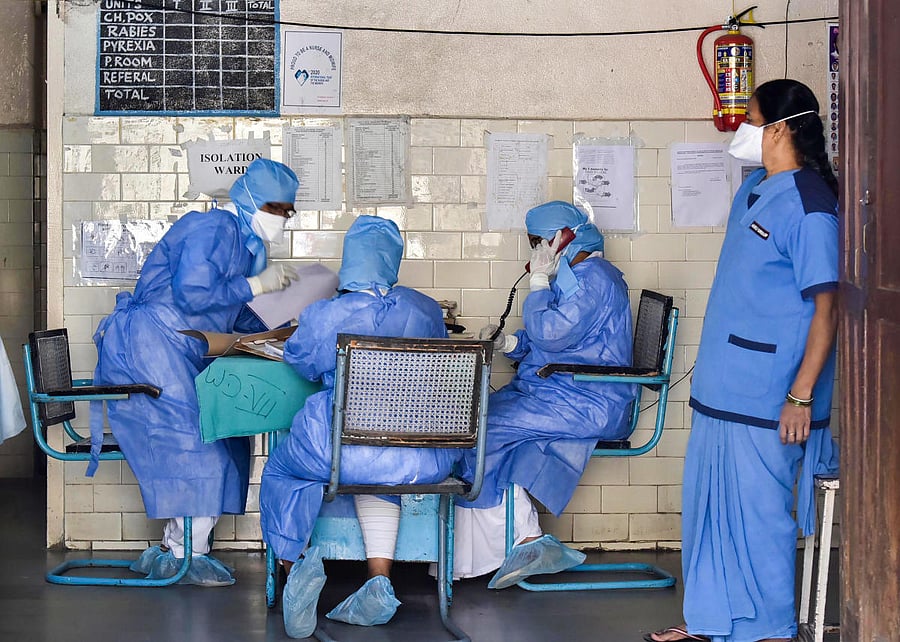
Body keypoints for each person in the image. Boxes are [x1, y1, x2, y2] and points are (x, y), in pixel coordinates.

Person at [646, 79, 840, 642]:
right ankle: (710, 621)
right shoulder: (757, 186)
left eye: (749, 117)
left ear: (779, 128)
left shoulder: (811, 208)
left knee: (758, 519)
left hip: (769, 396)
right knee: (709, 510)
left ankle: (771, 630)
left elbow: (827, 311)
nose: (739, 129)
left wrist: (801, 395)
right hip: (723, 389)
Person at [91, 158, 301, 587]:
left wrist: (281, 330)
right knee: (195, 443)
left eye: (288, 211)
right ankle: (187, 550)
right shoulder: (216, 228)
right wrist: (259, 286)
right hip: (149, 345)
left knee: (221, 435)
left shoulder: (246, 247)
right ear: (252, 200)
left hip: (178, 347)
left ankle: (179, 544)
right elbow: (193, 292)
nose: (282, 219)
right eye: (277, 209)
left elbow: (229, 311)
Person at [259, 215, 462, 638]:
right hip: (418, 457)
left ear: (350, 261)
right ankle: (379, 583)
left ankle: (295, 571)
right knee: (378, 472)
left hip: (344, 453)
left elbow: (301, 360)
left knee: (282, 471)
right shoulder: (423, 309)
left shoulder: (328, 314)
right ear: (393, 259)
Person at [453, 200, 635, 589]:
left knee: (477, 431)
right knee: (478, 422)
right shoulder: (573, 276)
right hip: (560, 393)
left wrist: (537, 284)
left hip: (588, 401)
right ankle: (519, 542)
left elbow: (553, 333)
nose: (536, 249)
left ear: (565, 237)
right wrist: (509, 344)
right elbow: (551, 343)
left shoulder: (596, 278)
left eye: (540, 240)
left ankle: (525, 541)